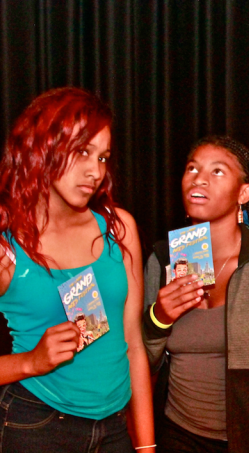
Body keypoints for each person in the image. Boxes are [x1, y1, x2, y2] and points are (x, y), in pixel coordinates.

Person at [142, 135, 249, 453]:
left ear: (244, 192)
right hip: (178, 436)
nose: (199, 179)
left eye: (217, 171)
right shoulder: (161, 259)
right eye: (192, 169)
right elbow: (144, 363)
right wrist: (160, 317)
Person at [0, 87, 154, 452]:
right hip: (38, 425)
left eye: (103, 158)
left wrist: (146, 447)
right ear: (42, 146)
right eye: (82, 151)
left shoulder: (119, 229)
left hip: (115, 427)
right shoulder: (8, 245)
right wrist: (29, 362)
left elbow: (133, 344)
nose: (95, 171)